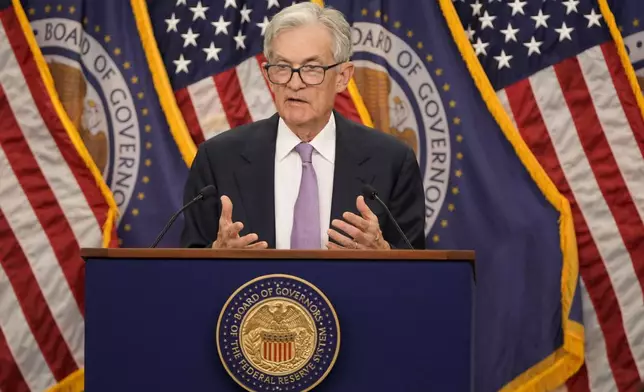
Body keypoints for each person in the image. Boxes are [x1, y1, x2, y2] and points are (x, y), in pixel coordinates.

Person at [181, 2, 425, 250]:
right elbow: (188, 268)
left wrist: (385, 255)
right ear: (268, 75)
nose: (294, 84)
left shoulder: (392, 162)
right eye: (282, 68)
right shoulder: (218, 159)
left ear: (342, 77)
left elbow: (420, 274)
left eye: (311, 69)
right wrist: (215, 257)